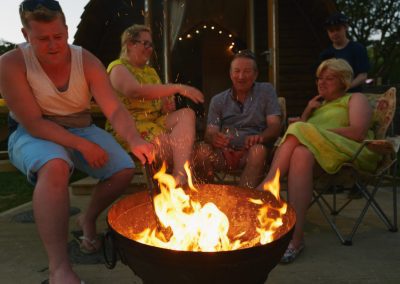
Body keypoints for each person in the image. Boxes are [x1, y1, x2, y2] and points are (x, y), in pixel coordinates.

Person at [0, 1, 153, 283]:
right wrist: (82, 146)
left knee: (121, 170)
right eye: (42, 39)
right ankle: (60, 268)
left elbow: (115, 109)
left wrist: (134, 139)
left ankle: (87, 218)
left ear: (67, 29)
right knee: (56, 165)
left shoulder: (87, 61)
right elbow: (34, 122)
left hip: (80, 125)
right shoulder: (11, 63)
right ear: (25, 35)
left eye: (58, 36)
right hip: (32, 131)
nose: (53, 45)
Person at [256, 58, 380, 263]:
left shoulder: (355, 99)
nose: (321, 82)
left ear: (343, 81)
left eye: (329, 78)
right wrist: (308, 110)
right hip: (317, 155)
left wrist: (315, 131)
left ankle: (270, 183)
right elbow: (299, 135)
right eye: (319, 79)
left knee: (299, 130)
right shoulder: (318, 106)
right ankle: (296, 238)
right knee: (301, 153)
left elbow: (358, 132)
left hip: (350, 151)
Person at [105, 24, 204, 185]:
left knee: (187, 114)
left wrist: (166, 106)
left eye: (151, 45)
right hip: (128, 125)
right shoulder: (118, 68)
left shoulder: (150, 72)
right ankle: (164, 190)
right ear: (130, 44)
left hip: (153, 123)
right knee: (169, 145)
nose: (149, 48)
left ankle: (180, 175)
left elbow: (157, 102)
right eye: (145, 43)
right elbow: (134, 91)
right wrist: (178, 87)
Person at [193, 50, 282, 188]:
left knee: (258, 151)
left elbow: (275, 126)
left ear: (255, 74)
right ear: (230, 74)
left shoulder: (266, 91)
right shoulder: (218, 100)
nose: (241, 76)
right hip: (223, 154)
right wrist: (215, 138)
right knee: (201, 151)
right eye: (237, 71)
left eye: (247, 71)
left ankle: (243, 202)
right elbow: (209, 133)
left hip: (252, 153)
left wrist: (260, 137)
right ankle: (208, 198)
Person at [319, 12, 370, 92]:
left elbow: (363, 75)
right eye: (331, 31)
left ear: (346, 27)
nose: (335, 33)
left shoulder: (358, 48)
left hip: (353, 96)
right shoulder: (325, 54)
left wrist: (347, 87)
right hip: (332, 96)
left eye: (338, 29)